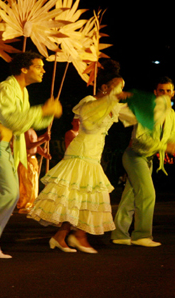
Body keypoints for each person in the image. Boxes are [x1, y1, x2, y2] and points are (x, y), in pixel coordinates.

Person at [29, 59, 134, 254]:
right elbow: (91, 123)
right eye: (117, 88)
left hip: (93, 156)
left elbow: (137, 115)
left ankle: (61, 236)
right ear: (104, 87)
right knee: (78, 197)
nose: (120, 92)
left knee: (80, 199)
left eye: (122, 88)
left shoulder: (114, 107)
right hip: (81, 153)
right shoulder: (90, 102)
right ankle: (79, 236)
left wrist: (157, 107)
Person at [0, 51, 62, 259]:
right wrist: (43, 110)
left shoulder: (22, 91)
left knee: (13, 195)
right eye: (39, 66)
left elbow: (24, 124)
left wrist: (45, 114)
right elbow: (12, 120)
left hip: (5, 145)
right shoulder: (5, 88)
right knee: (9, 192)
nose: (43, 70)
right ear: (24, 68)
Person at [111, 76, 175, 247]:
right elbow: (140, 139)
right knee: (148, 194)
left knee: (130, 196)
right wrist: (165, 146)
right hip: (135, 156)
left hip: (146, 159)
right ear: (155, 93)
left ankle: (119, 234)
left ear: (173, 93)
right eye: (161, 91)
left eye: (168, 91)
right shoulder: (147, 111)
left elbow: (173, 133)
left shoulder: (171, 114)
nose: (164, 94)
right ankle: (141, 235)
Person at [16, 128, 51, 214]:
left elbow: (35, 146)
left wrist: (44, 154)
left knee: (34, 184)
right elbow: (29, 146)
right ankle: (25, 205)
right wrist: (43, 140)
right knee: (28, 184)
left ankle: (31, 204)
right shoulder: (25, 130)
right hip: (26, 159)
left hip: (32, 159)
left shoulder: (31, 130)